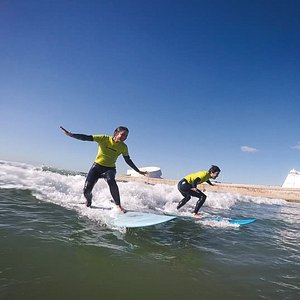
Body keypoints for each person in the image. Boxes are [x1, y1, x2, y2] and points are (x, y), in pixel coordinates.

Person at [60, 126, 147, 212]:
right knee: (86, 191)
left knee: (111, 180)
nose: (124, 137)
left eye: (126, 136)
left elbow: (128, 160)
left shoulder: (123, 147)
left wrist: (138, 171)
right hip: (96, 168)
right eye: (123, 134)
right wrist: (71, 135)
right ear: (116, 133)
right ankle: (89, 201)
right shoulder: (103, 138)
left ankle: (119, 206)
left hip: (110, 169)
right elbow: (86, 137)